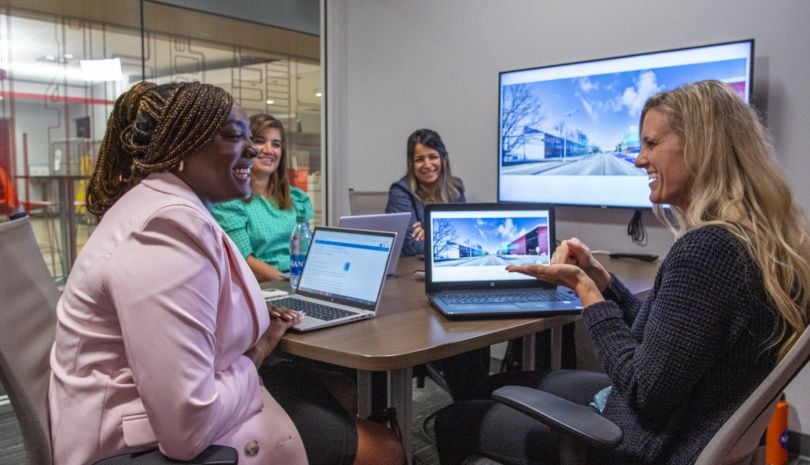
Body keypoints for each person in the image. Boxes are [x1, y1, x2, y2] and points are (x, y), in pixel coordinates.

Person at [435, 80, 810, 464]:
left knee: (454, 419)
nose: (638, 160)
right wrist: (603, 282)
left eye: (651, 144)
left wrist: (586, 292)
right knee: (496, 384)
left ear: (702, 147)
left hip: (643, 443)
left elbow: (642, 390)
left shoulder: (707, 251)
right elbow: (668, 345)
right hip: (684, 422)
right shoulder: (763, 242)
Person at [49, 81, 403, 465]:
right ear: (182, 146)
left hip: (156, 409)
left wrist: (256, 326)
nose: (254, 149)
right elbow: (188, 430)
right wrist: (260, 348)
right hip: (137, 444)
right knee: (383, 448)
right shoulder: (163, 230)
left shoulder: (171, 207)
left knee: (335, 389)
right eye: (236, 136)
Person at [212, 113, 313, 282]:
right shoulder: (230, 201)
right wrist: (290, 282)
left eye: (276, 144)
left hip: (299, 281)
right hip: (266, 287)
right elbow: (244, 260)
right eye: (259, 141)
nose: (269, 150)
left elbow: (304, 249)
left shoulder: (297, 198)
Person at [385, 128, 466, 257]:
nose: (427, 165)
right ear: (411, 164)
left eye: (433, 157)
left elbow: (464, 238)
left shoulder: (456, 189)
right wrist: (444, 238)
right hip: (410, 271)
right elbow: (412, 246)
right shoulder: (400, 192)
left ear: (444, 159)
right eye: (419, 159)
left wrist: (428, 232)